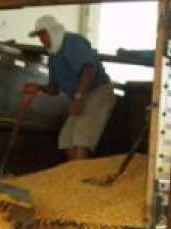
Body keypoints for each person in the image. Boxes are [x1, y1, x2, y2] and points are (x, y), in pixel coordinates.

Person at [23, 14, 116, 160]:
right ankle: (74, 175)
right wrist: (39, 88)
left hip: (98, 91)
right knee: (65, 139)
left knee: (81, 137)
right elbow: (54, 89)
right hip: (80, 96)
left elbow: (89, 68)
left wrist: (78, 97)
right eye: (39, 36)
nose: (41, 39)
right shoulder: (53, 56)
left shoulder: (72, 41)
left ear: (52, 30)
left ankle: (77, 178)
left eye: (43, 34)